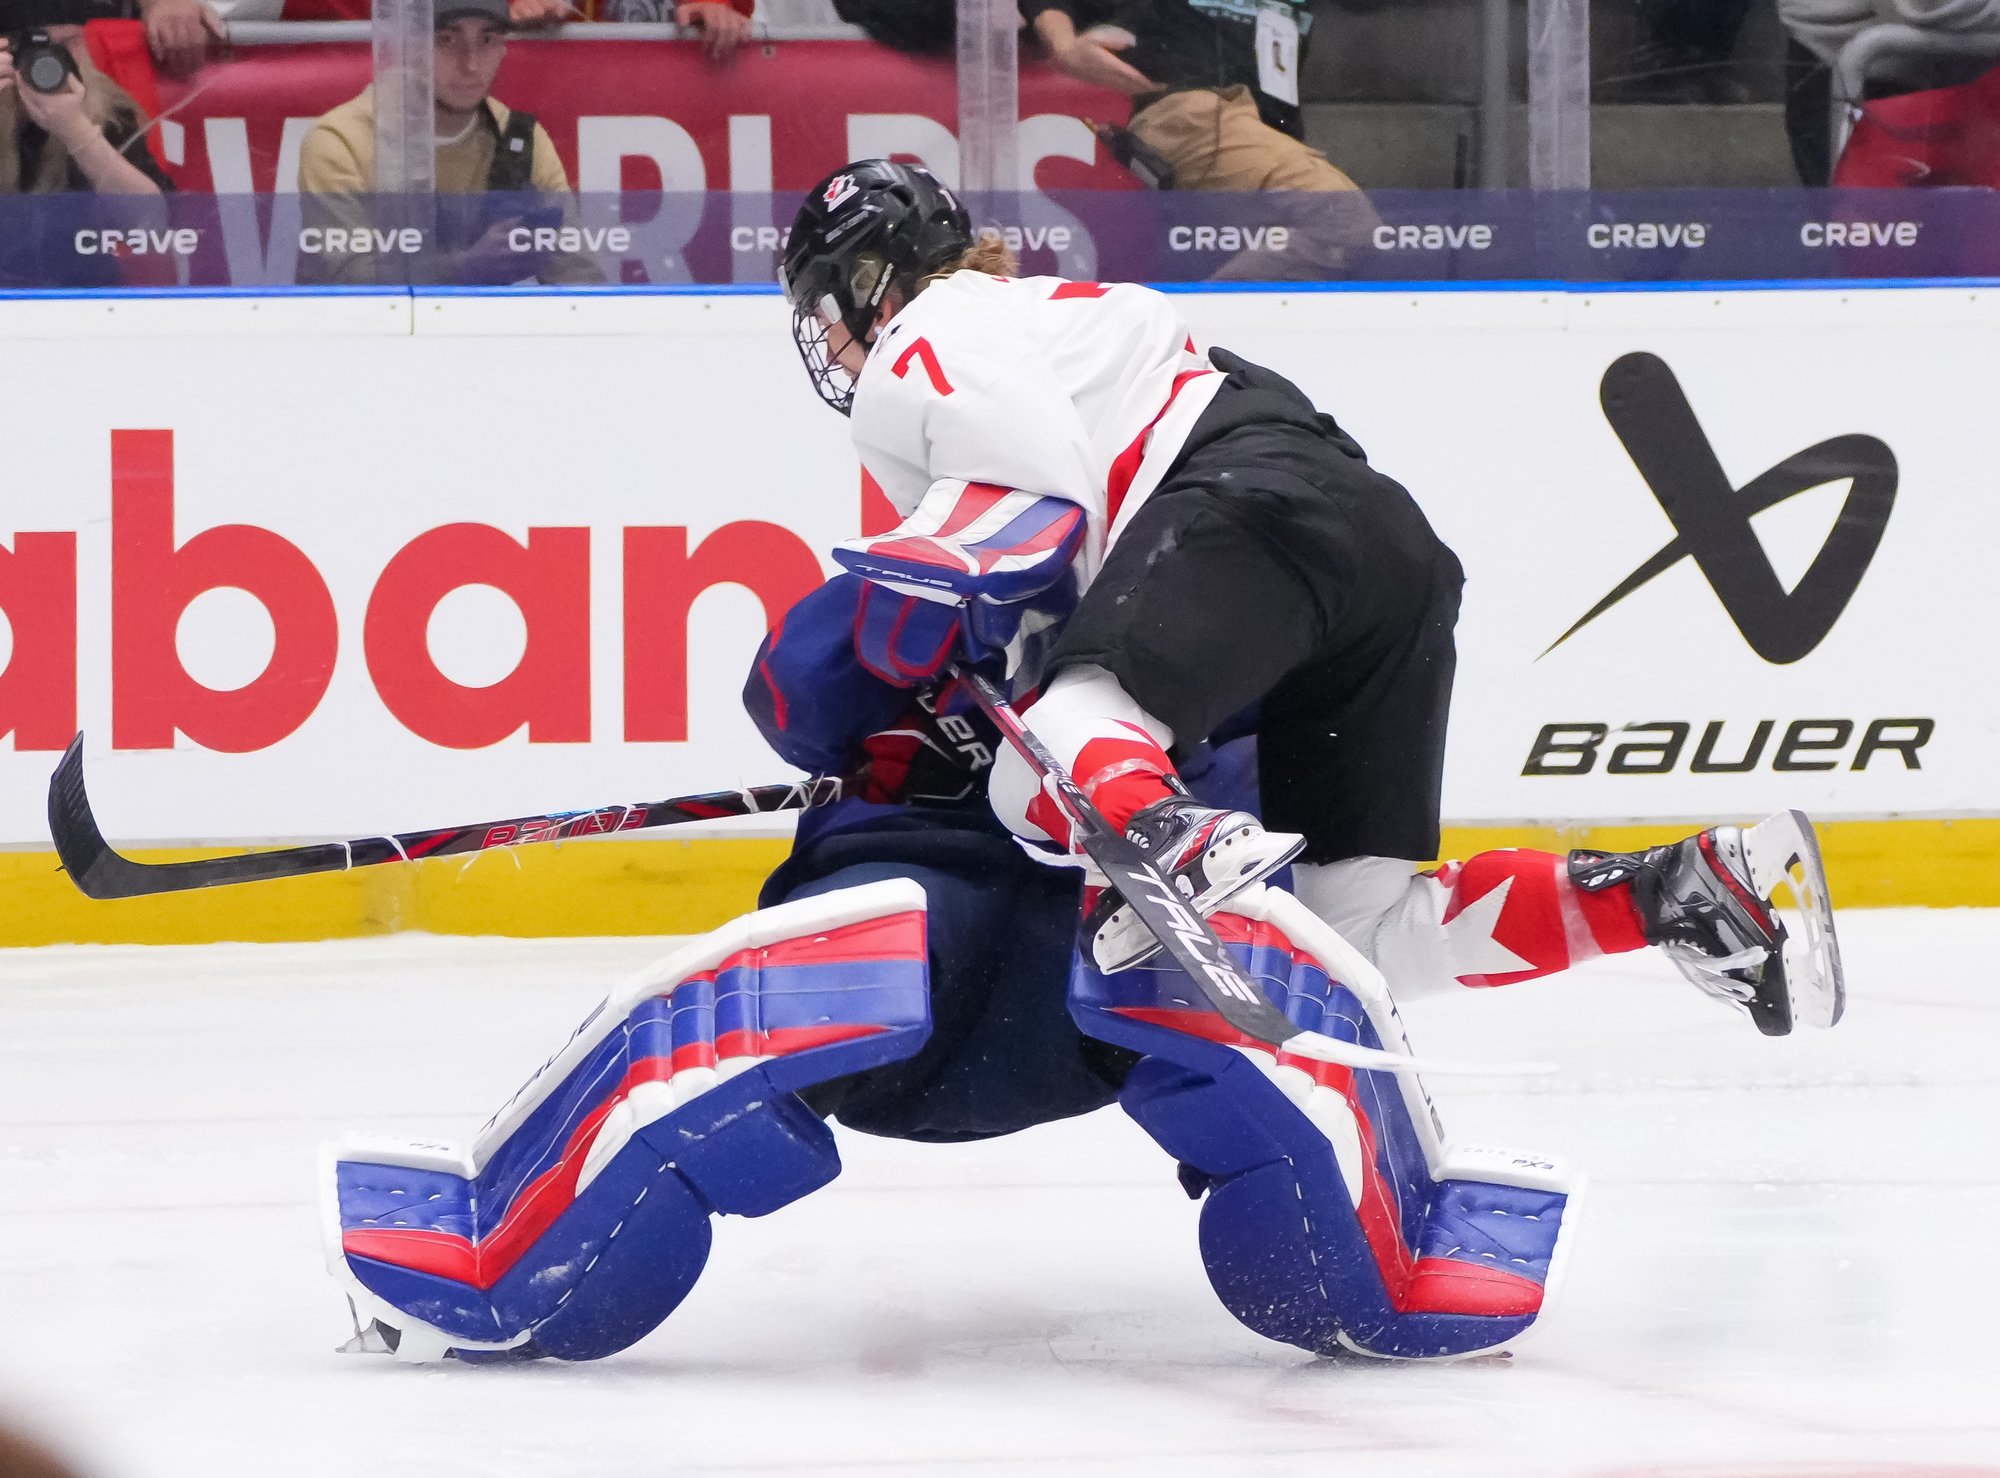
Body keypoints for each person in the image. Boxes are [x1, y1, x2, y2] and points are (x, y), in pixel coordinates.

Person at [760, 159, 1844, 1037]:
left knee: (1042, 764)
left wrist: (947, 634)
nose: (831, 341)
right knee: (1354, 938)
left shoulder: (924, 338)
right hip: (1381, 554)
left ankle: (1179, 845)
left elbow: (1034, 503)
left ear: (872, 279)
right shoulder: (1055, 315)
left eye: (826, 308)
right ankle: (1673, 892)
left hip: (1243, 506)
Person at [295, 0, 600, 285]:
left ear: (503, 49)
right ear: (411, 47)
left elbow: (580, 278)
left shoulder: (520, 138)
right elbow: (348, 281)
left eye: (487, 40)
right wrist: (465, 267)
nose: (471, 64)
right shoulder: (341, 141)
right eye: (447, 40)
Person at [0, 23, 169, 196]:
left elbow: (149, 209)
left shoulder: (111, 110)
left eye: (64, 44)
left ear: (82, 42)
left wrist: (76, 131)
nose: (45, 60)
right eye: (30, 46)